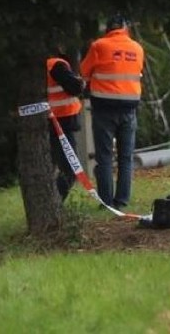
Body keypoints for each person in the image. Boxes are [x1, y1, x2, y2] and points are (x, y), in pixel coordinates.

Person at [80, 14, 145, 209]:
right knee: (126, 157)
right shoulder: (137, 48)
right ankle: (122, 200)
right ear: (126, 28)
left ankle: (106, 202)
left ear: (107, 29)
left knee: (105, 157)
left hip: (104, 109)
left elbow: (84, 72)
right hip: (129, 109)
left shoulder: (99, 46)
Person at [46, 45, 86, 202]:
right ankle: (53, 204)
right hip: (61, 122)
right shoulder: (57, 65)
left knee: (56, 166)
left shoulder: (42, 66)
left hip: (53, 122)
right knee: (70, 170)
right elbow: (75, 87)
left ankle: (52, 203)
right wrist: (80, 82)